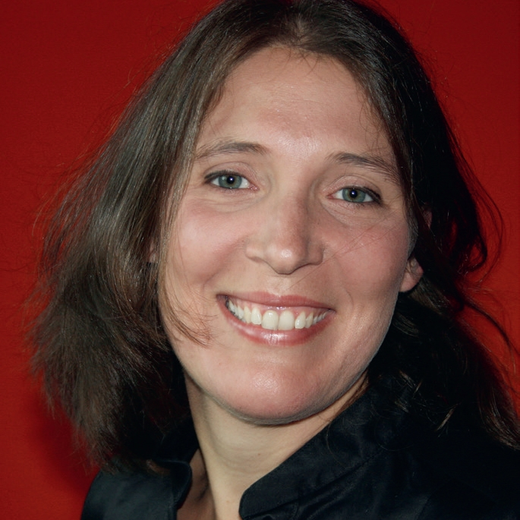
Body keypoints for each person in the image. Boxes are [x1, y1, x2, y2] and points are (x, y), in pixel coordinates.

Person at [31, 0, 520, 518]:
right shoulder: (123, 499)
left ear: (412, 253)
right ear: (147, 223)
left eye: (353, 193)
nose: (287, 249)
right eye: (231, 179)